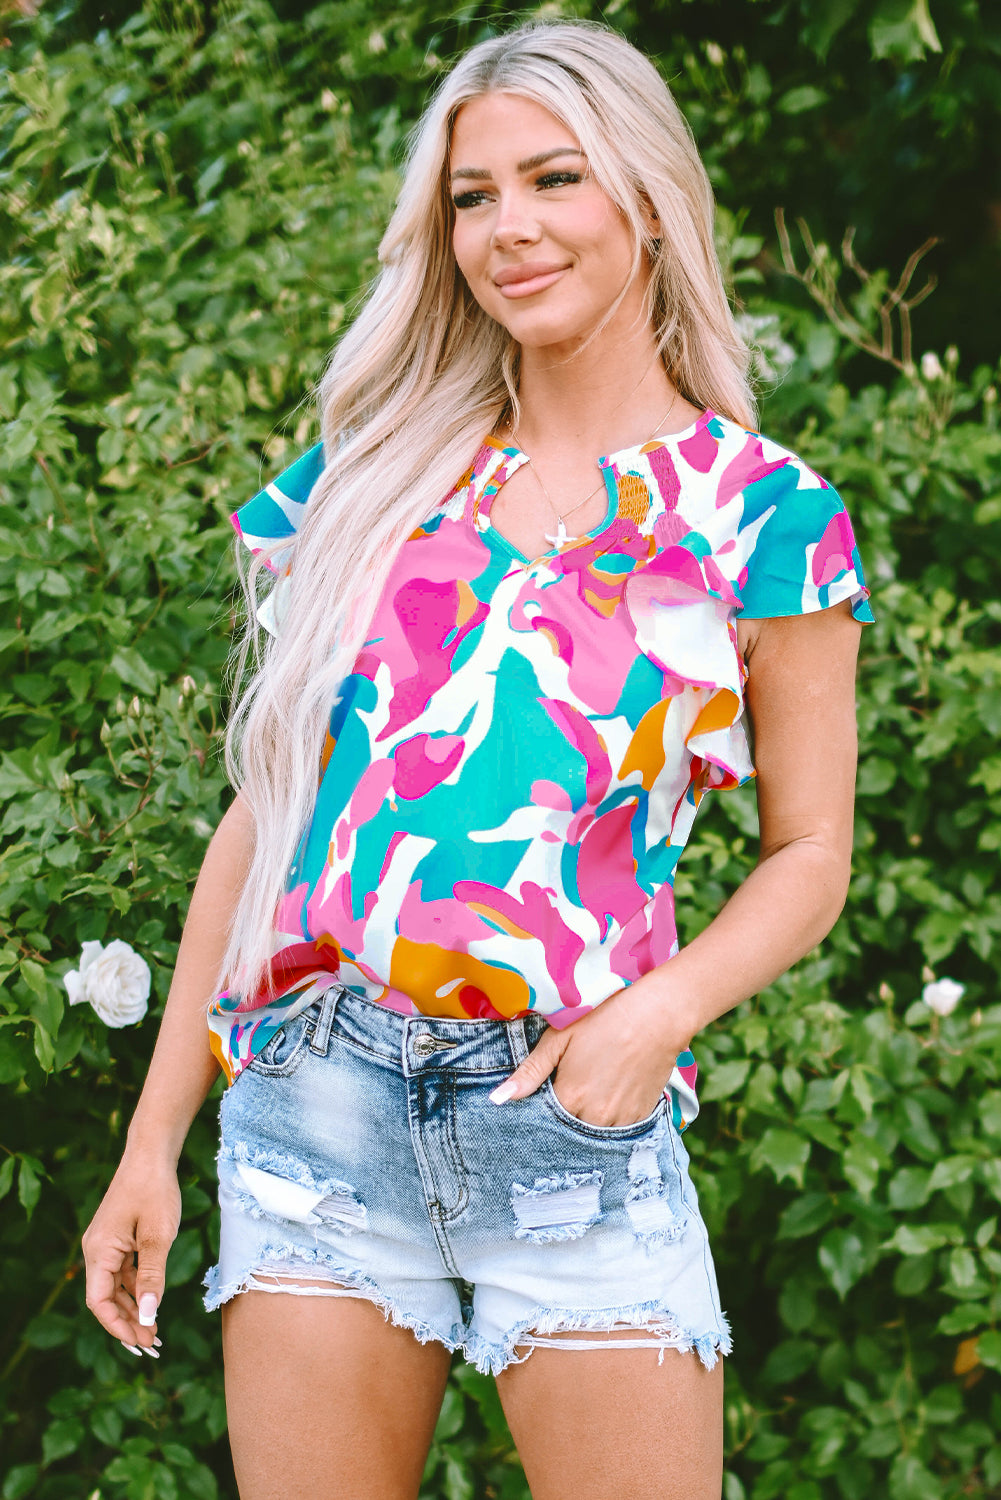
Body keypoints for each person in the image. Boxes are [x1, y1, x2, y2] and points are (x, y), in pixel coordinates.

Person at [82, 19, 872, 1500]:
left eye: (553, 179)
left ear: (643, 199)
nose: (508, 228)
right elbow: (269, 819)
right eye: (470, 195)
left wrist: (659, 1017)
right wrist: (151, 1144)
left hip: (571, 1120)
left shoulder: (758, 516)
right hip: (316, 1110)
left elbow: (809, 853)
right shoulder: (382, 475)